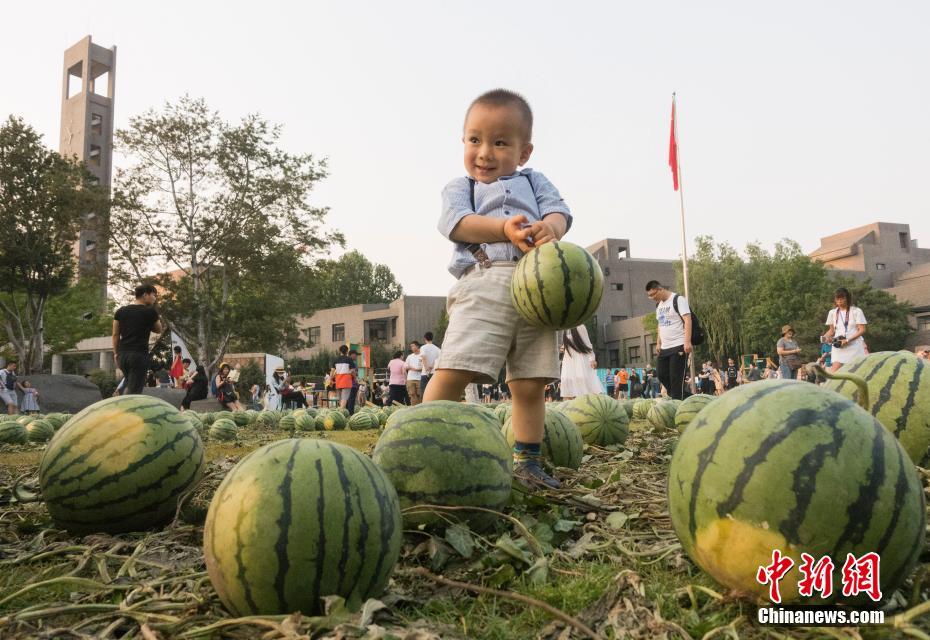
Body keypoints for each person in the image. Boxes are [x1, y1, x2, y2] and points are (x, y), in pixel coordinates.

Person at [425, 88, 571, 490]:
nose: (485, 152)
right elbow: (457, 224)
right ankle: (419, 441)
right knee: (455, 368)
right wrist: (502, 228)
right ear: (464, 141)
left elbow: (561, 212)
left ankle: (527, 461)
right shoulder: (461, 187)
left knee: (530, 381)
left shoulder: (534, 180)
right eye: (475, 140)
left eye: (500, 142)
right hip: (484, 280)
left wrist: (550, 228)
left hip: (536, 289)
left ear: (524, 152)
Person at [112, 284, 163, 395]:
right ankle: (126, 409)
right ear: (145, 295)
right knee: (134, 391)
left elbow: (115, 334)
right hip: (139, 355)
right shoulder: (150, 312)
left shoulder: (120, 311)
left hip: (123, 355)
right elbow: (159, 329)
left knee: (130, 383)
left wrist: (116, 354)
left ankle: (119, 396)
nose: (155, 298)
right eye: (154, 295)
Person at [645, 281, 692, 400]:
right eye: (649, 296)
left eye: (653, 295)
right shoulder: (659, 305)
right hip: (665, 347)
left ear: (660, 289)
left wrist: (687, 341)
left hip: (679, 345)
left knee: (676, 378)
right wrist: (658, 342)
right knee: (661, 374)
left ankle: (678, 403)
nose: (651, 298)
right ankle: (687, 398)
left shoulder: (678, 299)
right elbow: (660, 324)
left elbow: (687, 320)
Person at [821, 287, 867, 372]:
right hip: (839, 346)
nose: (839, 300)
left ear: (847, 298)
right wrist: (824, 338)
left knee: (855, 372)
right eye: (837, 298)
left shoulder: (856, 311)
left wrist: (848, 340)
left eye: (842, 298)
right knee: (834, 372)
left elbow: (862, 330)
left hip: (854, 346)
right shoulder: (832, 312)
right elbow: (832, 331)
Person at [559, 325, 602, 399]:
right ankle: (568, 407)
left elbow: (587, 343)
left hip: (580, 358)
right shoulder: (563, 327)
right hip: (568, 359)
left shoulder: (580, 326)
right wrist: (563, 347)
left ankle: (589, 403)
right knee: (567, 382)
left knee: (582, 382)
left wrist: (592, 359)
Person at [330, 345, 356, 410]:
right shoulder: (349, 359)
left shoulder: (336, 359)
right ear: (347, 351)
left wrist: (330, 380)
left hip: (338, 381)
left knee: (340, 398)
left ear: (340, 351)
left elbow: (332, 371)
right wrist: (355, 378)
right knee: (344, 398)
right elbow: (353, 370)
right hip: (346, 381)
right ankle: (341, 411)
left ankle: (340, 410)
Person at [419, 332, 442, 397]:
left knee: (424, 393)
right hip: (434, 373)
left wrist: (426, 369)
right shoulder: (437, 349)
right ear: (432, 338)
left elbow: (423, 357)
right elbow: (438, 360)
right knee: (434, 393)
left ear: (425, 338)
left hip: (425, 373)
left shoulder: (423, 347)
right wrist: (432, 366)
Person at [405, 341, 423, 405]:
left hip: (420, 378)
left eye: (413, 346)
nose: (411, 347)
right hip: (410, 378)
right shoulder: (409, 356)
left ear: (417, 346)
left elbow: (425, 366)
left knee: (420, 394)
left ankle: (420, 407)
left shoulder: (422, 355)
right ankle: (414, 408)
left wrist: (419, 369)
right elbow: (406, 366)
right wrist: (413, 369)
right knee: (412, 394)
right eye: (411, 346)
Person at [347, 349, 361, 415]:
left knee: (349, 400)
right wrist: (356, 379)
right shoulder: (352, 363)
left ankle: (347, 413)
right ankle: (350, 414)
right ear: (351, 355)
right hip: (352, 384)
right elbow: (352, 372)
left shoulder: (347, 363)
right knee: (351, 400)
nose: (356, 357)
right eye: (355, 355)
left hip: (348, 384)